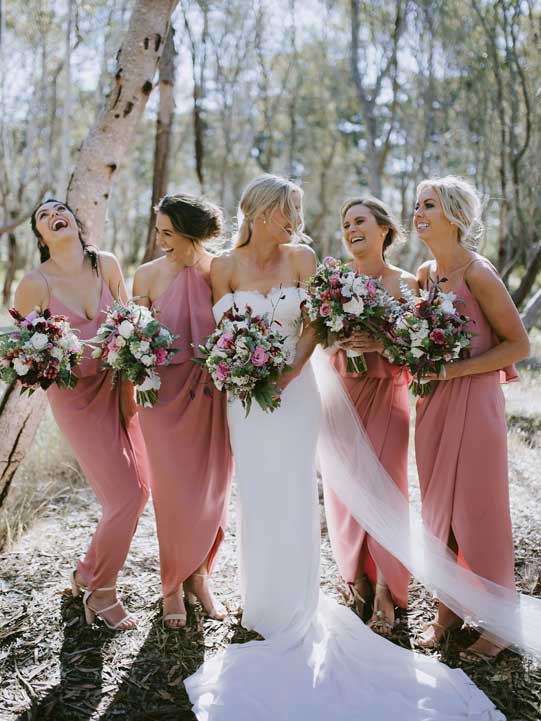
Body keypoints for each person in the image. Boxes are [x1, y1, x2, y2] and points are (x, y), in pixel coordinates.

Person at [183, 175, 506, 721]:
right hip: (244, 397)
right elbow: (222, 330)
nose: (298, 217)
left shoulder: (305, 258)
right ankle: (260, 598)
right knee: (255, 495)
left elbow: (312, 326)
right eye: (290, 207)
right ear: (262, 210)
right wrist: (237, 365)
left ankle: (302, 602)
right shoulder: (222, 267)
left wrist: (286, 368)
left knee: (292, 492)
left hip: (294, 390)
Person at [15, 199, 150, 630]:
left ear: (75, 221)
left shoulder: (106, 263)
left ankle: (85, 572)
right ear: (41, 236)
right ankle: (101, 590)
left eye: (60, 208)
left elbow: (131, 324)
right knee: (125, 496)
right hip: (75, 400)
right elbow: (24, 355)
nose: (54, 213)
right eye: (43, 215)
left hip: (118, 387)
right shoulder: (34, 283)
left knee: (141, 488)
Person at [413, 176, 530, 661]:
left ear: (454, 216)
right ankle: (448, 611)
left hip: (475, 401)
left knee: (478, 513)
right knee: (440, 510)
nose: (418, 212)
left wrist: (454, 368)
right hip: (432, 403)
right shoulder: (423, 273)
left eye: (428, 205)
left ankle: (502, 624)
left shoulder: (478, 273)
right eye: (416, 204)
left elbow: (518, 345)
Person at [133, 193, 232, 629]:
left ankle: (200, 576)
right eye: (158, 232)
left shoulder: (220, 271)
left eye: (168, 233)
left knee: (212, 490)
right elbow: (131, 338)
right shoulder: (147, 275)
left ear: (191, 234)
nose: (160, 241)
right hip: (163, 397)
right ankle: (171, 584)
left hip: (212, 394)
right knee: (173, 495)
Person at [323, 196, 415, 635]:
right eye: (345, 224)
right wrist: (337, 340)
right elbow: (318, 342)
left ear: (384, 228)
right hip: (342, 395)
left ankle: (386, 589)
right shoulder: (335, 282)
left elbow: (421, 351)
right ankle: (355, 577)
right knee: (345, 492)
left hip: (387, 393)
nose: (351, 229)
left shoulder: (406, 283)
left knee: (387, 490)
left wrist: (379, 345)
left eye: (359, 221)